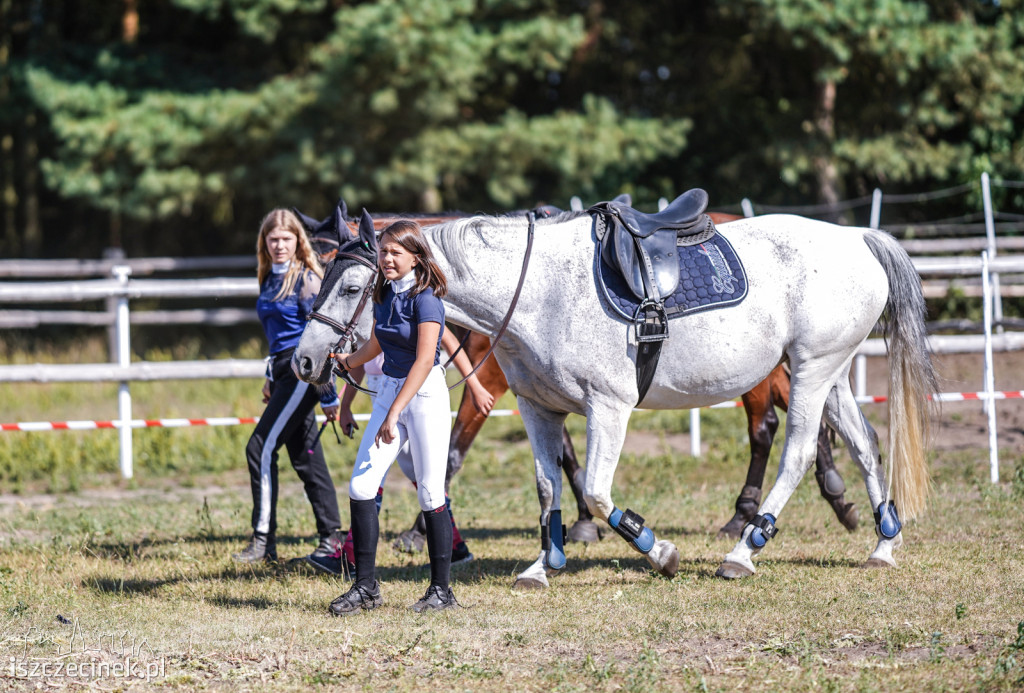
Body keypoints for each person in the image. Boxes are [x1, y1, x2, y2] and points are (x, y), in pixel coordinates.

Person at [327, 219, 460, 615]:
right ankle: (365, 588)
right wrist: (349, 361)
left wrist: (396, 411)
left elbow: (423, 360)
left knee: (430, 492)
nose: (385, 258)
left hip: (424, 396)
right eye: (382, 251)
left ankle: (442, 592)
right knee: (361, 485)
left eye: (393, 252)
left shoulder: (428, 300)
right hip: (390, 390)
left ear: (415, 257)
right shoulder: (384, 293)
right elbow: (380, 341)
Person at [305, 333, 495, 576]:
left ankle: (351, 558)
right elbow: (362, 360)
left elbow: (449, 341)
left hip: (405, 396)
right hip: (382, 395)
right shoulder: (376, 307)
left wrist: (474, 385)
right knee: (402, 476)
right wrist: (347, 405)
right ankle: (456, 547)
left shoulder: (416, 300)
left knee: (393, 479)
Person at [232, 209, 344, 565]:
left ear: (298, 241)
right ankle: (333, 540)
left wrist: (328, 394)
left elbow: (322, 339)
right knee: (306, 459)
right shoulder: (268, 277)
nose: (279, 245)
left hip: (303, 372)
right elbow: (275, 337)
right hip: (281, 370)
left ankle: (263, 542)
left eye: (286, 239)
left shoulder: (307, 279)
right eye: (273, 239)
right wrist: (269, 376)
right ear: (264, 243)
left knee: (260, 448)